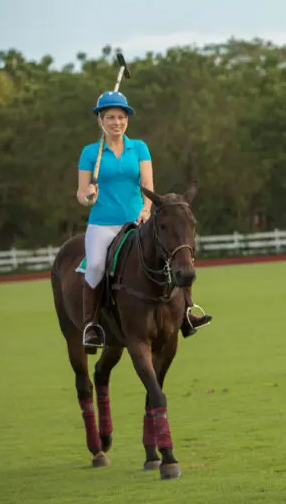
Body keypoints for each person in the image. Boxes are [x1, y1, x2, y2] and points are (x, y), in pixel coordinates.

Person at [76, 90, 211, 348]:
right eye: (110, 117)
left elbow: (148, 184)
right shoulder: (90, 153)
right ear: (100, 121)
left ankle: (186, 313)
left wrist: (147, 209)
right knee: (94, 266)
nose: (116, 122)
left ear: (127, 119)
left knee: (174, 252)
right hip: (103, 223)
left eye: (121, 117)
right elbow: (81, 194)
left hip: (137, 221)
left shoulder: (139, 148)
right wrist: (89, 195)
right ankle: (91, 325)